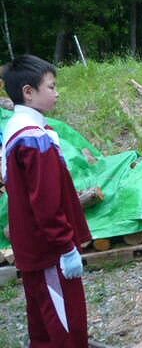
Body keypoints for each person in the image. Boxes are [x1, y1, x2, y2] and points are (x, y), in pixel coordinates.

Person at [1, 54, 92, 347]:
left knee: (41, 325)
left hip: (33, 248)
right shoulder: (33, 139)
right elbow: (46, 203)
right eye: (50, 87)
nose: (57, 92)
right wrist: (66, 247)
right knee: (67, 330)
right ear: (29, 92)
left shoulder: (15, 130)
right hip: (49, 252)